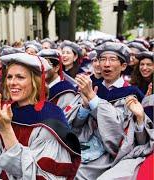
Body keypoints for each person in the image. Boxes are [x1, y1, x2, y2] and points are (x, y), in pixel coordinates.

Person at [0, 53, 81, 179]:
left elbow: (41, 176)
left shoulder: (50, 118)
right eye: (9, 77)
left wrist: (6, 131)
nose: (12, 83)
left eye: (20, 77)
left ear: (35, 81)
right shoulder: (7, 113)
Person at [65, 42, 153, 179]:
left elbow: (136, 140)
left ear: (123, 66)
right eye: (102, 59)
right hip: (84, 148)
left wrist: (140, 118)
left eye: (112, 60)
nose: (106, 64)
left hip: (112, 156)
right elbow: (74, 126)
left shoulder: (132, 94)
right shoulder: (92, 88)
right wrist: (84, 106)